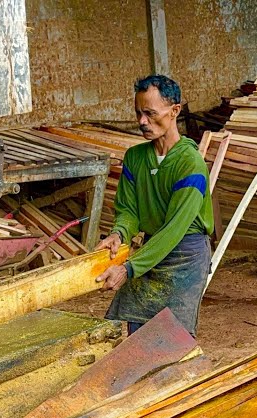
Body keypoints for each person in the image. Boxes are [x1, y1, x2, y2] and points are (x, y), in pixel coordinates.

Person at [96, 75, 214, 336]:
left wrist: (129, 268)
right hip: (151, 250)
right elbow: (128, 210)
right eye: (138, 113)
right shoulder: (135, 158)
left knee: (174, 338)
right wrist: (119, 233)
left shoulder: (190, 164)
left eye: (150, 113)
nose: (142, 122)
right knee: (138, 332)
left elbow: (174, 229)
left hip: (185, 256)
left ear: (174, 111)